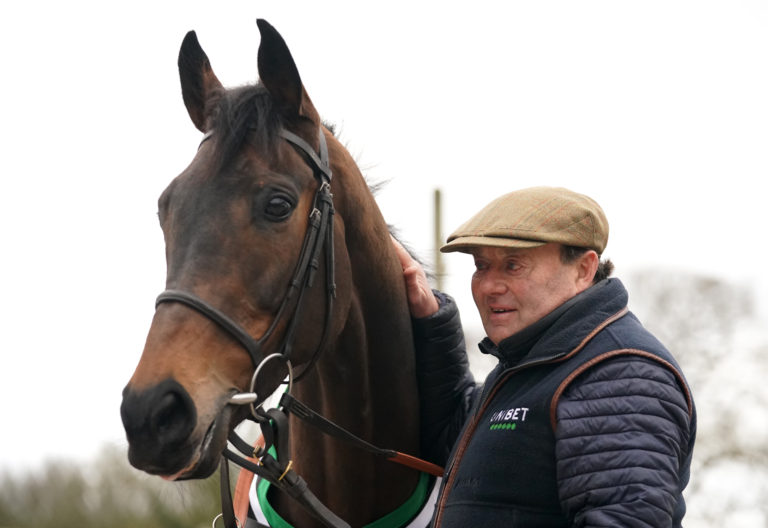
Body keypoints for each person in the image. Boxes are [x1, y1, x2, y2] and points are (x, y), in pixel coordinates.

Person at [393, 186, 696, 528]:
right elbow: (453, 436)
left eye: (513, 265)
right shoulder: (537, 366)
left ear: (583, 269)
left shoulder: (620, 374)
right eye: (481, 265)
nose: (489, 285)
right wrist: (431, 319)